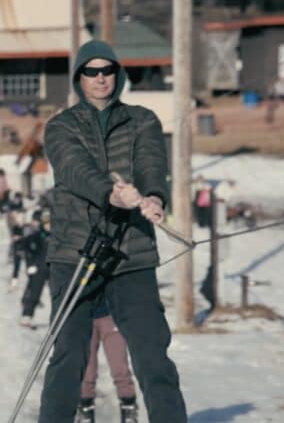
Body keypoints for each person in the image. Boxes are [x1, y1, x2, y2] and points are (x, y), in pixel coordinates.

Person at [39, 39, 186, 422]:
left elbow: (152, 163)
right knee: (69, 355)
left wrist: (153, 197)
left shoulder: (142, 120)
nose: (100, 78)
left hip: (131, 252)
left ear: (117, 75)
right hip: (75, 253)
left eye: (107, 71)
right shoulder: (60, 126)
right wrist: (111, 193)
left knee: (153, 355)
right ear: (79, 77)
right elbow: (74, 169)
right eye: (92, 71)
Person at [76, 301, 139, 423]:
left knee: (120, 367)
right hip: (84, 315)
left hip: (110, 313)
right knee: (87, 372)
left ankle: (129, 408)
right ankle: (85, 410)